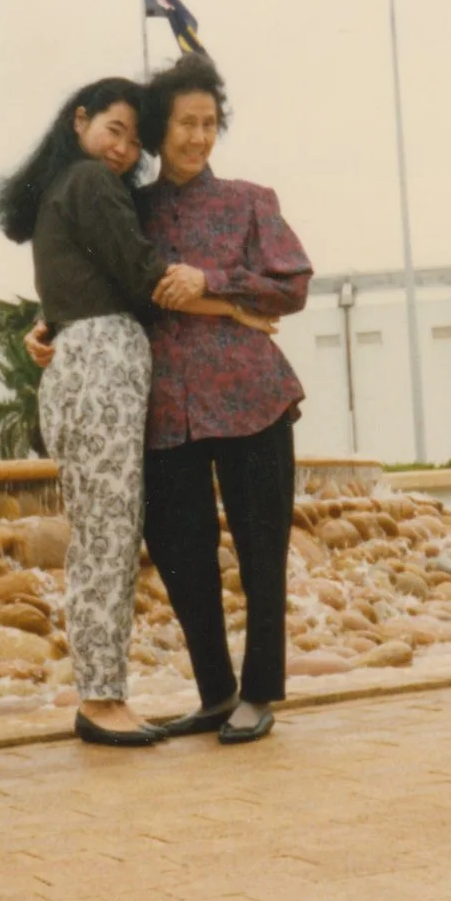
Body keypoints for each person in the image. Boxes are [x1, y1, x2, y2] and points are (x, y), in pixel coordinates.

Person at [0, 76, 273, 747]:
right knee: (107, 537)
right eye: (113, 130)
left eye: (133, 141)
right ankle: (100, 700)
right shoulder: (90, 182)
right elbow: (147, 278)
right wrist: (233, 307)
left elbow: (82, 282)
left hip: (89, 361)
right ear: (79, 119)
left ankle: (105, 692)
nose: (122, 150)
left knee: (105, 533)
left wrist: (49, 326)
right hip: (100, 368)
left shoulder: (69, 185)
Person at [132, 54, 314, 745]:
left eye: (209, 123)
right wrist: (48, 327)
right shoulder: (132, 210)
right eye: (186, 123)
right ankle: (215, 694)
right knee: (180, 554)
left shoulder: (248, 200)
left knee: (262, 551)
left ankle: (259, 693)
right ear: (159, 128)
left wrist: (209, 279)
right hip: (166, 411)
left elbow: (291, 286)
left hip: (251, 399)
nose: (198, 137)